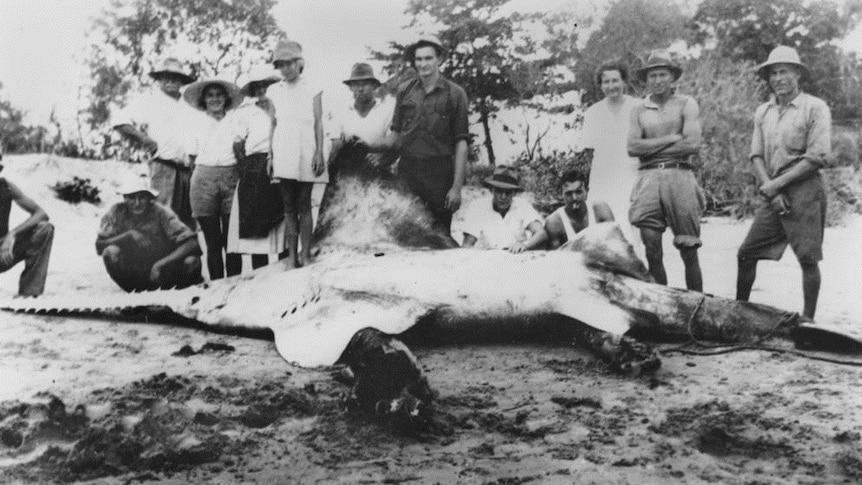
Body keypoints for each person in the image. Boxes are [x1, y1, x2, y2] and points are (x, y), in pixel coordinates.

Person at [736, 46, 831, 320]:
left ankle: (809, 321)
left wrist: (777, 186)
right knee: (746, 253)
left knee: (808, 258)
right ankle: (738, 312)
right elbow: (756, 154)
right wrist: (770, 188)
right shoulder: (763, 111)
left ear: (798, 74)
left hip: (804, 188)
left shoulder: (814, 107)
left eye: (784, 72)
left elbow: (817, 157)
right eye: (773, 73)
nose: (778, 78)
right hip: (773, 189)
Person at [627, 52, 705, 291]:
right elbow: (632, 147)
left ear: (672, 77)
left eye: (663, 75)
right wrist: (672, 138)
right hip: (648, 179)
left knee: (688, 248)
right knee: (651, 247)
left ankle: (697, 303)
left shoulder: (686, 103)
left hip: (680, 175)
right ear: (646, 79)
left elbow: (692, 144)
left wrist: (650, 148)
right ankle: (662, 304)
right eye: (653, 75)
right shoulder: (639, 108)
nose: (658, 80)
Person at [391, 35, 469, 241]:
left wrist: (456, 187)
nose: (423, 64)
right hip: (407, 170)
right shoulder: (404, 90)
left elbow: (461, 142)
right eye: (419, 59)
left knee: (440, 235)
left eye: (428, 58)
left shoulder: (456, 94)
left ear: (439, 59)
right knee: (404, 232)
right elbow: (395, 137)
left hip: (439, 173)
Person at [112, 57, 197, 229]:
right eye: (166, 76)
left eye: (175, 76)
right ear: (159, 79)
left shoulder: (189, 104)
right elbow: (119, 121)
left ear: (182, 80)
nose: (171, 80)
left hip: (189, 171)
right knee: (162, 219)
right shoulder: (150, 100)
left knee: (187, 224)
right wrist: (145, 140)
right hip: (164, 168)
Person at [267, 39, 327, 268]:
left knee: (304, 203)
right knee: (288, 205)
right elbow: (272, 124)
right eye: (281, 65)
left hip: (306, 148)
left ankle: (306, 254)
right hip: (283, 148)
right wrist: (270, 156)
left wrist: (319, 152)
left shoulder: (312, 87)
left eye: (290, 63)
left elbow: (319, 122)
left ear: (299, 63)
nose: (286, 68)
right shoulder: (274, 90)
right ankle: (291, 256)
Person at [226, 66, 286, 270]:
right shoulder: (245, 111)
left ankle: (283, 272)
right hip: (255, 166)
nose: (262, 90)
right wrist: (246, 170)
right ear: (252, 89)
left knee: (282, 220)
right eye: (257, 87)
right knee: (255, 221)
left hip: (281, 161)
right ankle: (258, 274)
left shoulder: (281, 106)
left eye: (266, 86)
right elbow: (237, 143)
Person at [184, 78, 245, 279]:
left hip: (231, 177)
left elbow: (242, 150)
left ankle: (234, 288)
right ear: (203, 100)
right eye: (210, 95)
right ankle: (217, 287)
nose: (215, 99)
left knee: (232, 241)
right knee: (213, 242)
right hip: (203, 179)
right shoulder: (196, 122)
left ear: (226, 98)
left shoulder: (236, 120)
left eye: (219, 95)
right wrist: (199, 182)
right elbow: (191, 158)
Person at [96, 179, 202, 292]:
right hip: (136, 270)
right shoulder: (116, 212)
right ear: (125, 198)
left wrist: (159, 265)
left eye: (142, 197)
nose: (137, 203)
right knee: (111, 252)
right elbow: (99, 246)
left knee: (192, 262)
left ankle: (177, 292)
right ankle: (135, 291)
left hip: (163, 270)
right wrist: (128, 235)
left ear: (149, 198)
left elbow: (192, 243)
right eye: (132, 197)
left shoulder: (161, 213)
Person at [579, 61, 642, 252]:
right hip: (603, 178)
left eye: (615, 80)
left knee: (633, 227)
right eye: (606, 82)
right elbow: (589, 151)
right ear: (600, 85)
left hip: (632, 175)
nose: (611, 86)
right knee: (602, 228)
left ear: (624, 81)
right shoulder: (593, 112)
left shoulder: (638, 107)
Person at [455, 166, 545, 253]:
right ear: (491, 190)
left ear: (514, 193)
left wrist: (524, 244)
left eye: (508, 192)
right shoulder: (478, 207)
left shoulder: (522, 205)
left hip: (516, 259)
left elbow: (541, 233)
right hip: (487, 261)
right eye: (499, 191)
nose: (503, 197)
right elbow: (467, 246)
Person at [0, 164, 54, 297]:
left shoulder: (6, 187)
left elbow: (41, 214)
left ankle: (29, 293)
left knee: (45, 229)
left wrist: (11, 235)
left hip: (3, 251)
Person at [544, 170, 615, 249]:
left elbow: (616, 245)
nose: (574, 198)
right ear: (561, 194)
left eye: (578, 192)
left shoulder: (601, 209)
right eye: (569, 193)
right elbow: (555, 258)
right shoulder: (554, 222)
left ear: (586, 192)